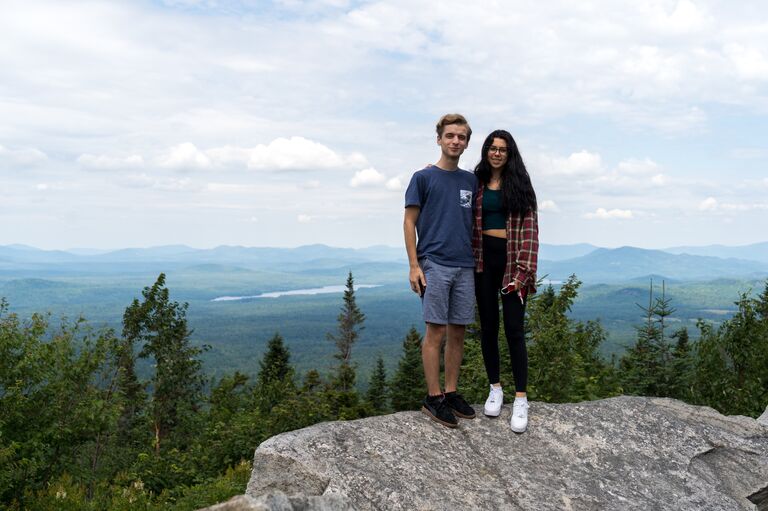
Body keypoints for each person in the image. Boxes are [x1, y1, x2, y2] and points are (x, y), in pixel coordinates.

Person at [403, 113, 478, 428]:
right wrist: (413, 265)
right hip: (434, 262)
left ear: (466, 143)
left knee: (458, 330)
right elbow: (409, 221)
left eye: (461, 137)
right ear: (439, 139)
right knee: (436, 331)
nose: (455, 141)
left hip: (465, 265)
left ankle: (450, 392)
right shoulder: (423, 177)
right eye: (450, 136)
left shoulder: (470, 181)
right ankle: (433, 398)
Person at [472, 129, 538, 433]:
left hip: (513, 261)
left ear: (510, 154)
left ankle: (521, 398)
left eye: (503, 149)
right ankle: (495, 388)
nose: (497, 153)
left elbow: (530, 231)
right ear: (486, 151)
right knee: (488, 327)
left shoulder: (521, 186)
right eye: (492, 148)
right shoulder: (478, 183)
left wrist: (523, 272)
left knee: (514, 330)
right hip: (483, 261)